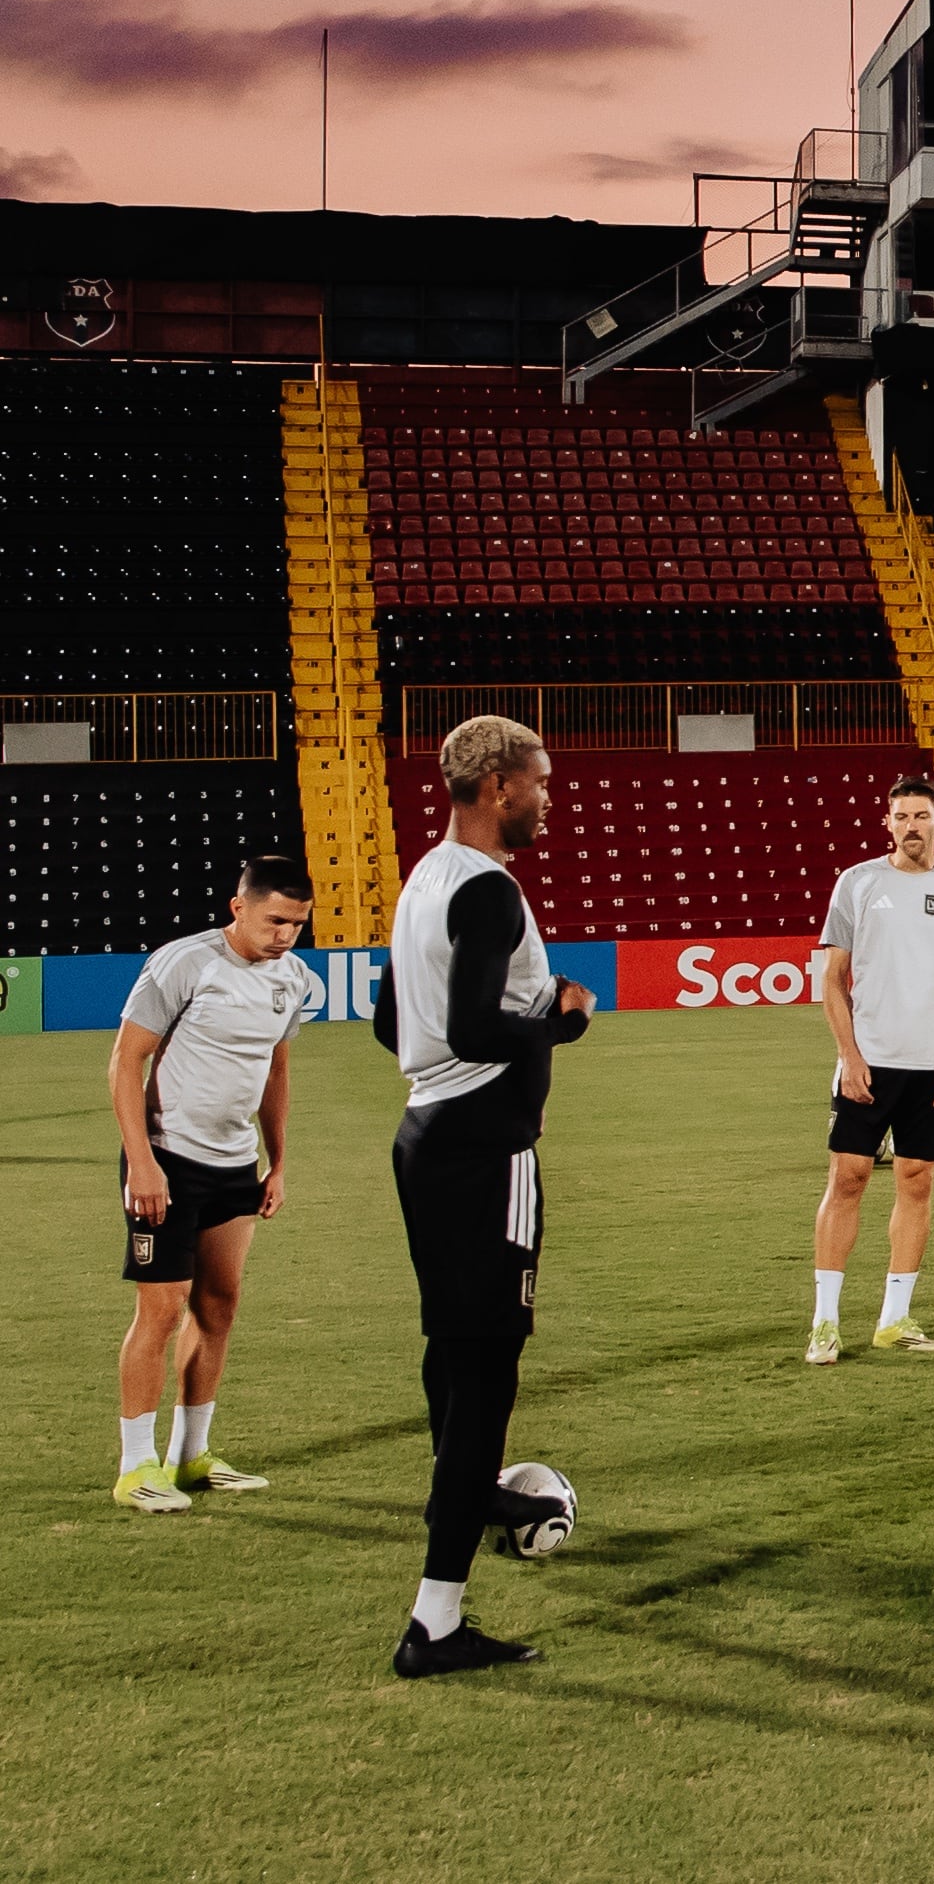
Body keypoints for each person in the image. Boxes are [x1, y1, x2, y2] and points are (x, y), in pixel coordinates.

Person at [372, 715, 592, 1677]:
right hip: (484, 1155)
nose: (551, 796)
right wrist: (563, 1020)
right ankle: (435, 1623)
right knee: (488, 1375)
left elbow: (393, 1022)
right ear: (499, 785)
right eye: (540, 781)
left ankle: (480, 1494)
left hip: (426, 1139)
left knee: (452, 1358)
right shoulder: (492, 891)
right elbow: (471, 1028)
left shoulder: (426, 876)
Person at [107, 857, 319, 1513]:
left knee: (219, 1305)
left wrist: (277, 1162)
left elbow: (275, 1073)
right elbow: (125, 1060)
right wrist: (141, 1162)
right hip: (168, 1160)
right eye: (275, 919)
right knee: (162, 1311)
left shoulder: (296, 981)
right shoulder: (184, 964)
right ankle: (135, 1467)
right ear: (240, 907)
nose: (285, 935)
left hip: (235, 1165)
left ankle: (190, 1455)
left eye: (296, 924)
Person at [806, 774, 934, 1365]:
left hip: (933, 1067)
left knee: (917, 1182)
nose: (913, 825)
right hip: (870, 1064)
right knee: (849, 1180)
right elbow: (831, 980)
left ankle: (893, 1320)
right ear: (887, 823)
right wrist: (849, 1056)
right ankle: (825, 1324)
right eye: (903, 816)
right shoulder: (858, 884)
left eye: (923, 815)